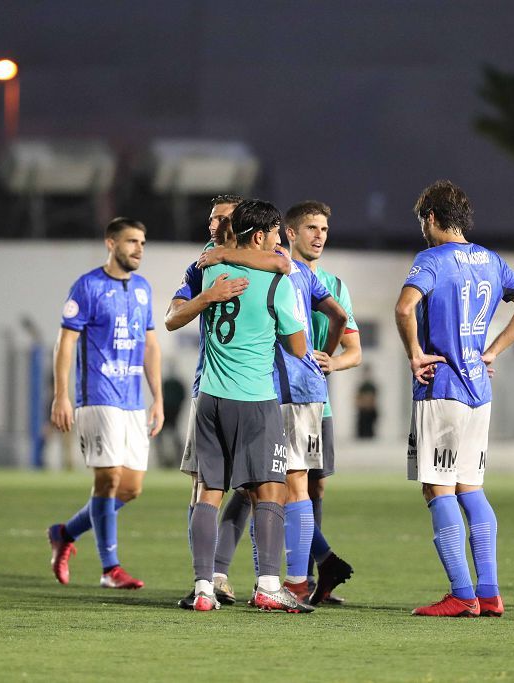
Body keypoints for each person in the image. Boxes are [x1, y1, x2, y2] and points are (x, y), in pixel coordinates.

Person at [395, 180, 514, 617]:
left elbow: (405, 307)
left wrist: (414, 354)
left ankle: (462, 595)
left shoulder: (431, 259)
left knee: (437, 488)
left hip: (441, 388)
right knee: (471, 488)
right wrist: (492, 351)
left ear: (432, 219)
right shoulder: (491, 260)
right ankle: (490, 592)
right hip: (479, 389)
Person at [187, 198, 314, 613]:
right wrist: (288, 282)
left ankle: (204, 588)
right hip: (256, 400)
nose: (281, 244)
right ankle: (268, 585)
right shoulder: (278, 281)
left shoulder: (211, 269)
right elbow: (297, 347)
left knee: (210, 491)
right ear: (259, 236)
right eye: (276, 235)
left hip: (209, 397)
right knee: (271, 488)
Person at [164, 195, 290, 609]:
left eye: (225, 219)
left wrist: (228, 256)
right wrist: (207, 297)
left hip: (226, 395)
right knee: (212, 486)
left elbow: (280, 262)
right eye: (213, 219)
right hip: (218, 389)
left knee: (232, 489)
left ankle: (213, 575)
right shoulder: (204, 264)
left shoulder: (224, 257)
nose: (216, 225)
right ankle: (217, 577)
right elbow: (172, 318)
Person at [45, 217, 163, 590]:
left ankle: (65, 533)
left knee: (130, 488)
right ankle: (110, 568)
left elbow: (150, 346)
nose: (139, 249)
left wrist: (157, 398)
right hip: (97, 396)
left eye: (142, 242)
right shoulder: (88, 286)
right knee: (108, 478)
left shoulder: (143, 289)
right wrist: (61, 394)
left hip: (132, 401)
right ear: (110, 244)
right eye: (131, 241)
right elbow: (65, 343)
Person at [283, 200, 362, 605]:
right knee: (279, 488)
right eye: (311, 228)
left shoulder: (335, 285)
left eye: (324, 229)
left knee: (313, 490)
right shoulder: (279, 274)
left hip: (318, 403)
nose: (319, 236)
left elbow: (355, 350)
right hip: (283, 397)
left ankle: (314, 576)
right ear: (291, 233)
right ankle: (316, 566)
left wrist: (331, 360)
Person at [354, 366, 379, 438]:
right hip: (363, 412)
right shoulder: (362, 386)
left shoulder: (372, 386)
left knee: (369, 432)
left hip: (370, 412)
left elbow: (373, 399)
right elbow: (358, 399)